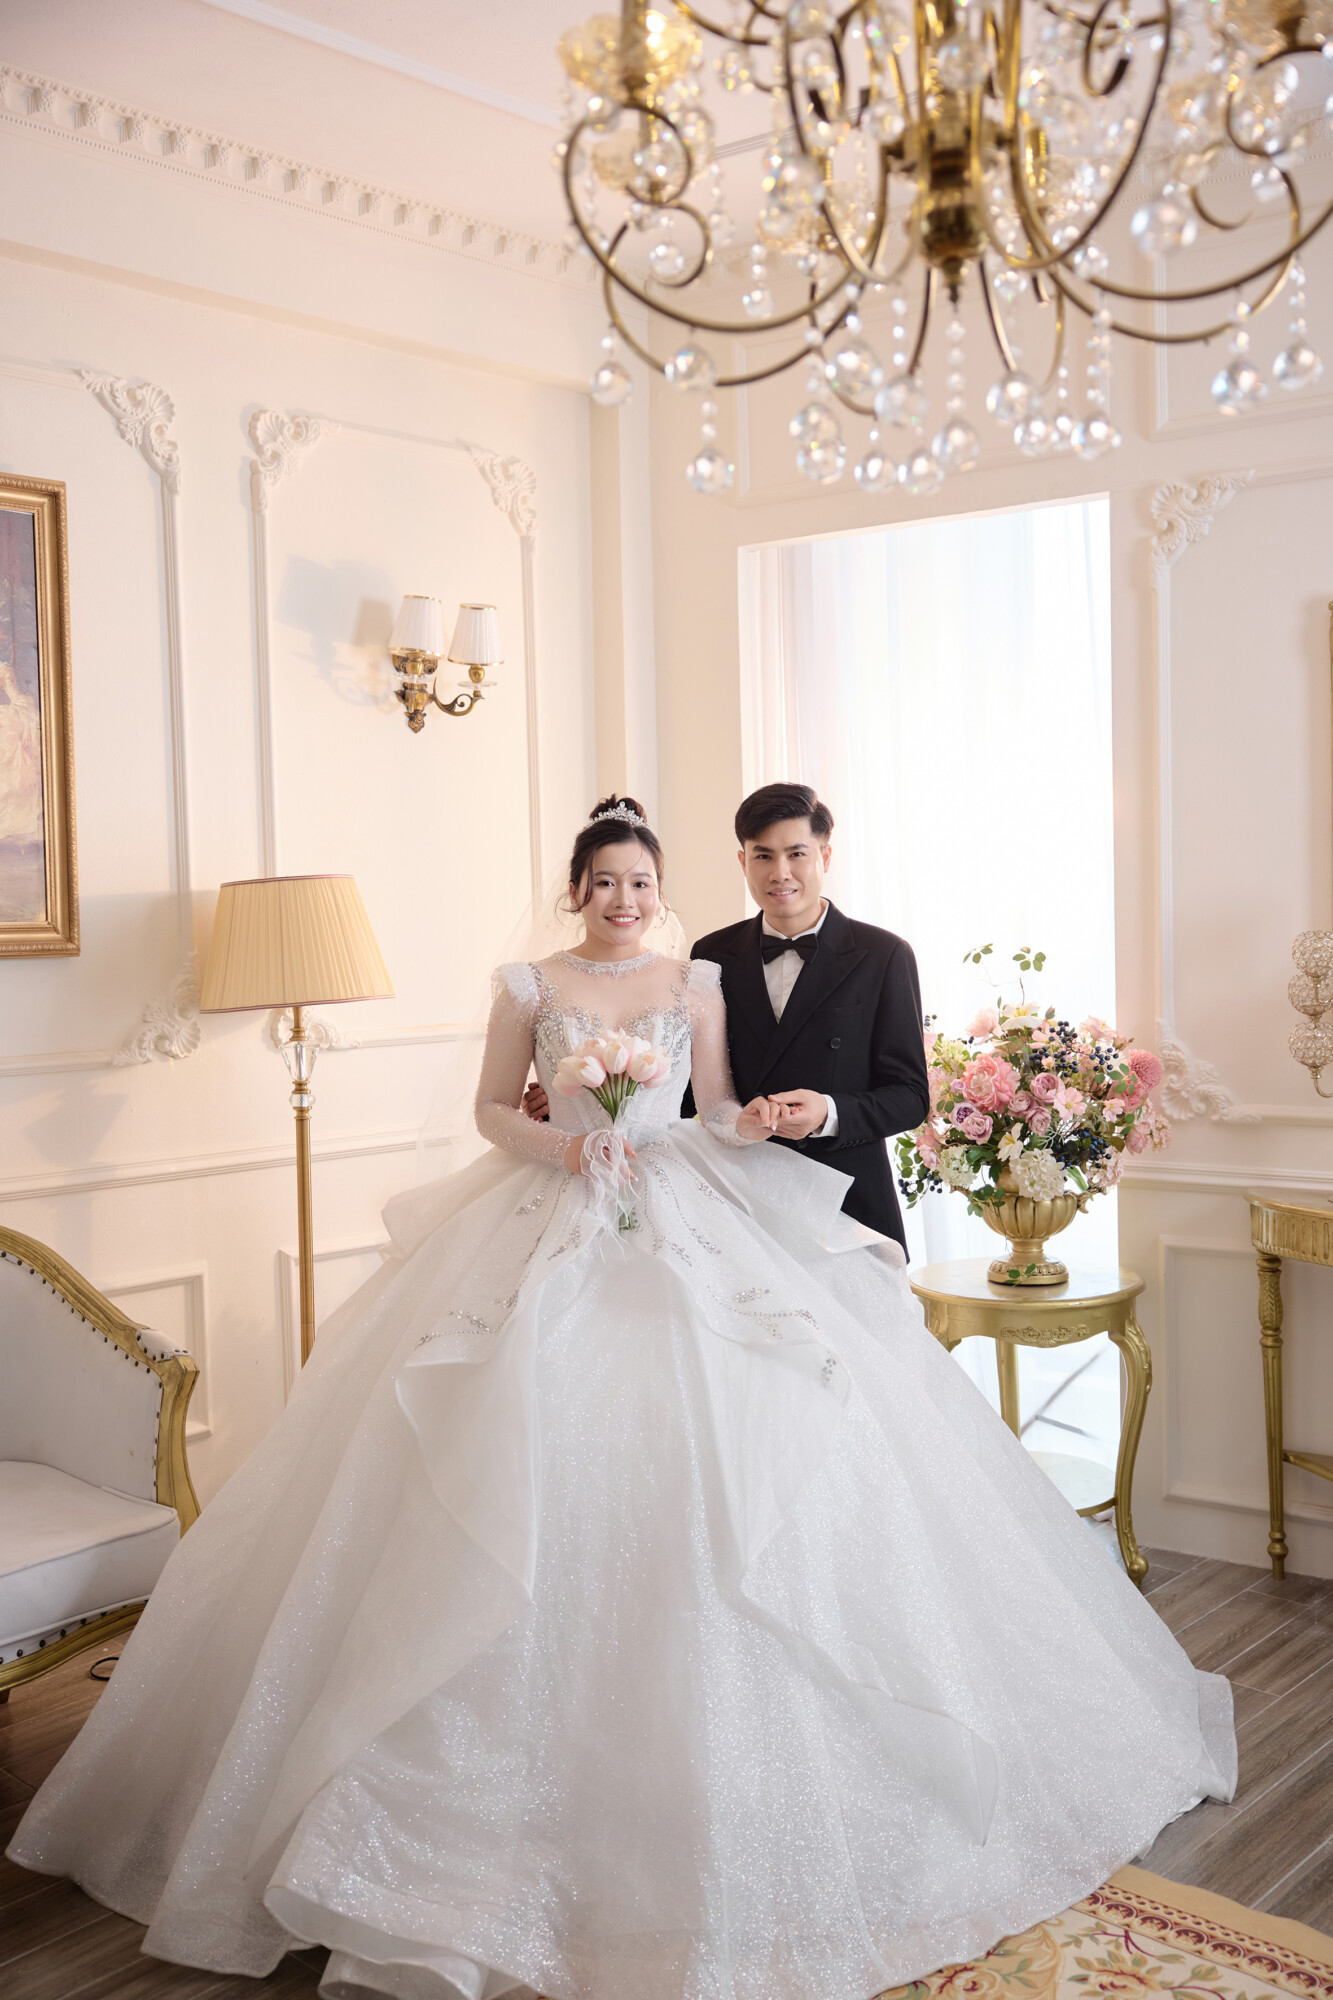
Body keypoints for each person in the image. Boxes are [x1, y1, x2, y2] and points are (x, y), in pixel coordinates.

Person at [10, 797, 1235, 2000]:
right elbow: (491, 1109)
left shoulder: (694, 979)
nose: (625, 899)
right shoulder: (529, 986)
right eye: (605, 881)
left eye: (642, 882)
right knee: (490, 1440)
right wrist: (565, 1141)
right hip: (548, 1211)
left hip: (681, 1201)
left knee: (736, 1445)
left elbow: (711, 1105)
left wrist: (758, 1124)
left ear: (669, 888)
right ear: (576, 888)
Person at [690, 782, 927, 1253]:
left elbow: (910, 1096)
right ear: (742, 862)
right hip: (743, 1201)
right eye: (763, 856)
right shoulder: (711, 954)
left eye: (796, 854)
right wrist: (573, 1097)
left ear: (826, 855)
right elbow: (687, 1087)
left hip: (850, 1200)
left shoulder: (884, 955)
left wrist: (829, 1113)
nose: (780, 873)